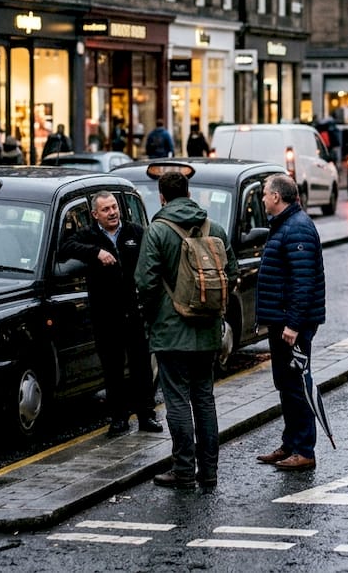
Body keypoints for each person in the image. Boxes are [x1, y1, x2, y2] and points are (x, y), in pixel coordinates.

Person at [136, 172, 237, 488]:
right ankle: (209, 472)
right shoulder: (213, 228)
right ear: (189, 192)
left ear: (161, 197)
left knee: (177, 401)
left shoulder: (157, 231)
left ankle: (182, 471)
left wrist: (153, 317)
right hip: (207, 330)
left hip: (171, 332)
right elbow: (231, 274)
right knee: (204, 399)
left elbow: (145, 282)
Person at [58, 191, 162, 438]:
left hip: (134, 312)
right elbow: (66, 247)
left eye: (114, 207)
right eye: (106, 209)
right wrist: (96, 252)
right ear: (95, 215)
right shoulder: (89, 235)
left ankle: (147, 414)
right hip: (106, 314)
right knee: (113, 369)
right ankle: (118, 419)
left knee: (141, 367)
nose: (113, 212)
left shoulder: (135, 232)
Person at [254, 174, 326, 471]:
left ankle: (304, 449)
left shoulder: (297, 229)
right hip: (281, 320)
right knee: (285, 384)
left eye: (264, 193)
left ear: (276, 197)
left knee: (296, 384)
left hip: (291, 324)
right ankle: (290, 443)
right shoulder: (285, 225)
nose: (261, 198)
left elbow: (303, 281)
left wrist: (294, 324)